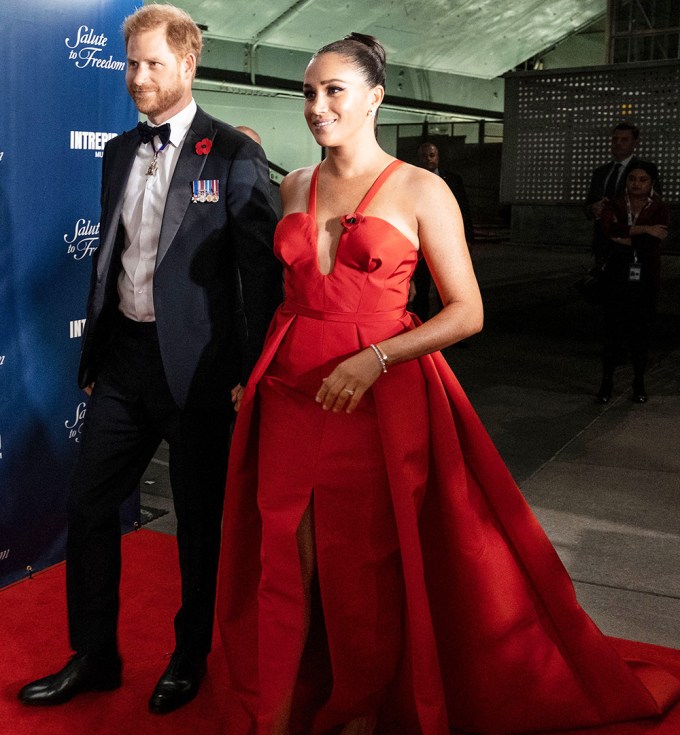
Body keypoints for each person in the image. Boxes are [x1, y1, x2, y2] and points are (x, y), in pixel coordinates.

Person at [216, 33, 680, 735]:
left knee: (360, 570)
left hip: (373, 399)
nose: (316, 105)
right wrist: (256, 374)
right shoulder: (294, 185)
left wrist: (376, 360)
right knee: (284, 559)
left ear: (374, 97)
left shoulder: (421, 188)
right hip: (289, 392)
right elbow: (289, 299)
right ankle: (277, 714)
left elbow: (468, 311)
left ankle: (360, 710)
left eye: (333, 90)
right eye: (308, 92)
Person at [18, 4, 280, 715]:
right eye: (131, 63)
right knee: (90, 504)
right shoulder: (116, 151)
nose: (137, 78)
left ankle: (189, 656)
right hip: (125, 363)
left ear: (188, 64)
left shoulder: (231, 154)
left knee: (198, 524)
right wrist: (100, 348)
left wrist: (248, 374)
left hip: (201, 374)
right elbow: (115, 257)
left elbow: (259, 276)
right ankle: (96, 655)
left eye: (152, 65)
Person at [595, 161, 669, 404]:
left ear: (652, 183)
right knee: (612, 330)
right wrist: (645, 229)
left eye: (642, 179)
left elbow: (652, 243)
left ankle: (639, 382)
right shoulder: (613, 204)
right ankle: (606, 382)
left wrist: (626, 236)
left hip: (645, 277)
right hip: (615, 275)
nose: (636, 183)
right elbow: (609, 229)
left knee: (641, 331)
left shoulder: (659, 208)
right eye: (632, 178)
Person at [411, 141, 474, 321]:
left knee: (447, 287)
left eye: (432, 155)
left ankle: (449, 326)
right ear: (418, 158)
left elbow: (463, 209)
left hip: (447, 242)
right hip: (420, 241)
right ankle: (419, 326)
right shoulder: (411, 180)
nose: (428, 159)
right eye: (424, 156)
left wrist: (468, 238)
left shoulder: (453, 180)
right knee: (422, 286)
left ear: (438, 157)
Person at [584, 123, 649, 267]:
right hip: (603, 246)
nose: (618, 143)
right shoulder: (600, 173)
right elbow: (587, 206)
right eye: (615, 139)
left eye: (624, 140)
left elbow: (652, 207)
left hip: (631, 245)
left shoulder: (645, 170)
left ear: (635, 143)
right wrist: (593, 209)